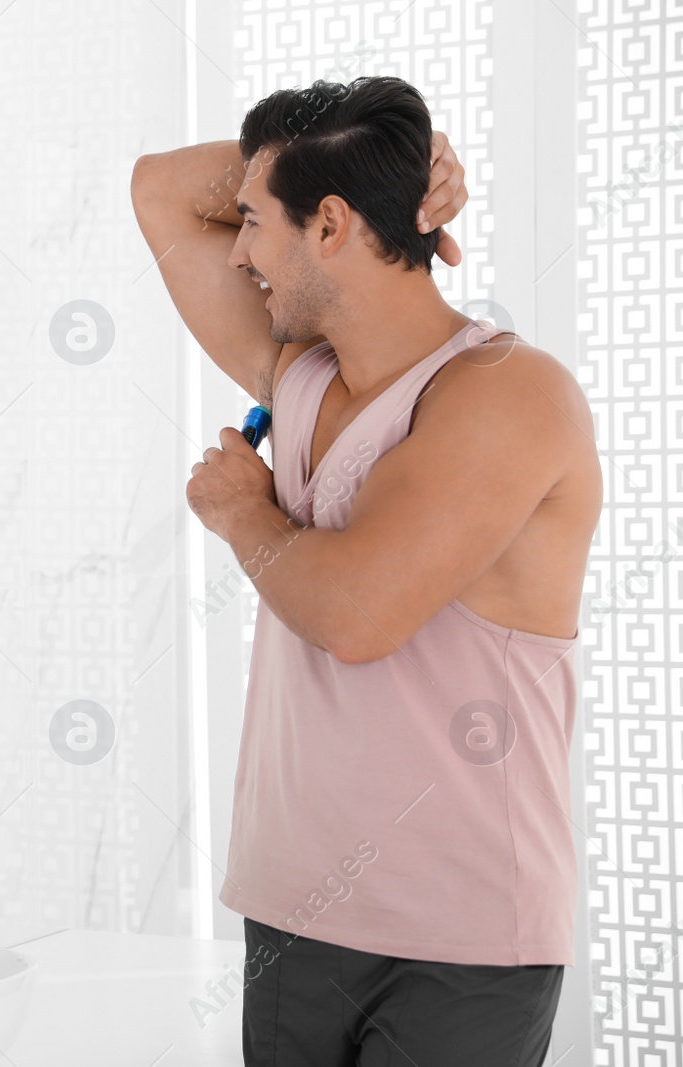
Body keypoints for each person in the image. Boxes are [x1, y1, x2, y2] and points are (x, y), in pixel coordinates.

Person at [130, 75, 600, 1065]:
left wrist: (241, 512)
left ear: (330, 228)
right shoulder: (297, 372)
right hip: (294, 909)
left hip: (459, 936)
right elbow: (162, 187)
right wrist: (381, 168)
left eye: (256, 222)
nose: (241, 248)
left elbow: (355, 615)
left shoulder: (509, 393)